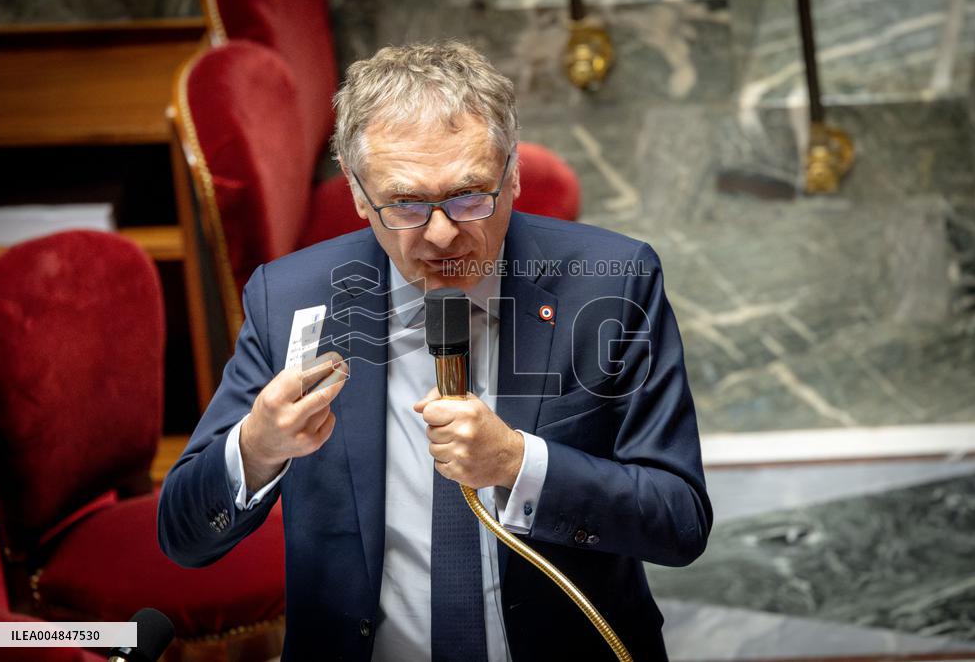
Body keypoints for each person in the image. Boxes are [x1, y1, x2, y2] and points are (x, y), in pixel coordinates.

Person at [158, 41, 712, 662]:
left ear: (515, 173)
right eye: (405, 204)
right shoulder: (290, 298)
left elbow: (679, 521)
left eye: (471, 194)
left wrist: (517, 463)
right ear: (358, 193)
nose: (443, 234)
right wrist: (257, 448)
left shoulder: (612, 283)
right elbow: (183, 536)